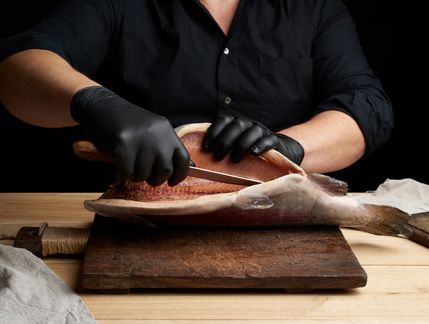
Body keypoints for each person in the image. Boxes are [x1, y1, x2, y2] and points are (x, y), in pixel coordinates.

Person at [0, 0, 393, 187]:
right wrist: (95, 102)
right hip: (141, 222)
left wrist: (288, 147)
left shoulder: (317, 9)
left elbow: (366, 106)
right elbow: (19, 66)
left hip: (281, 222)